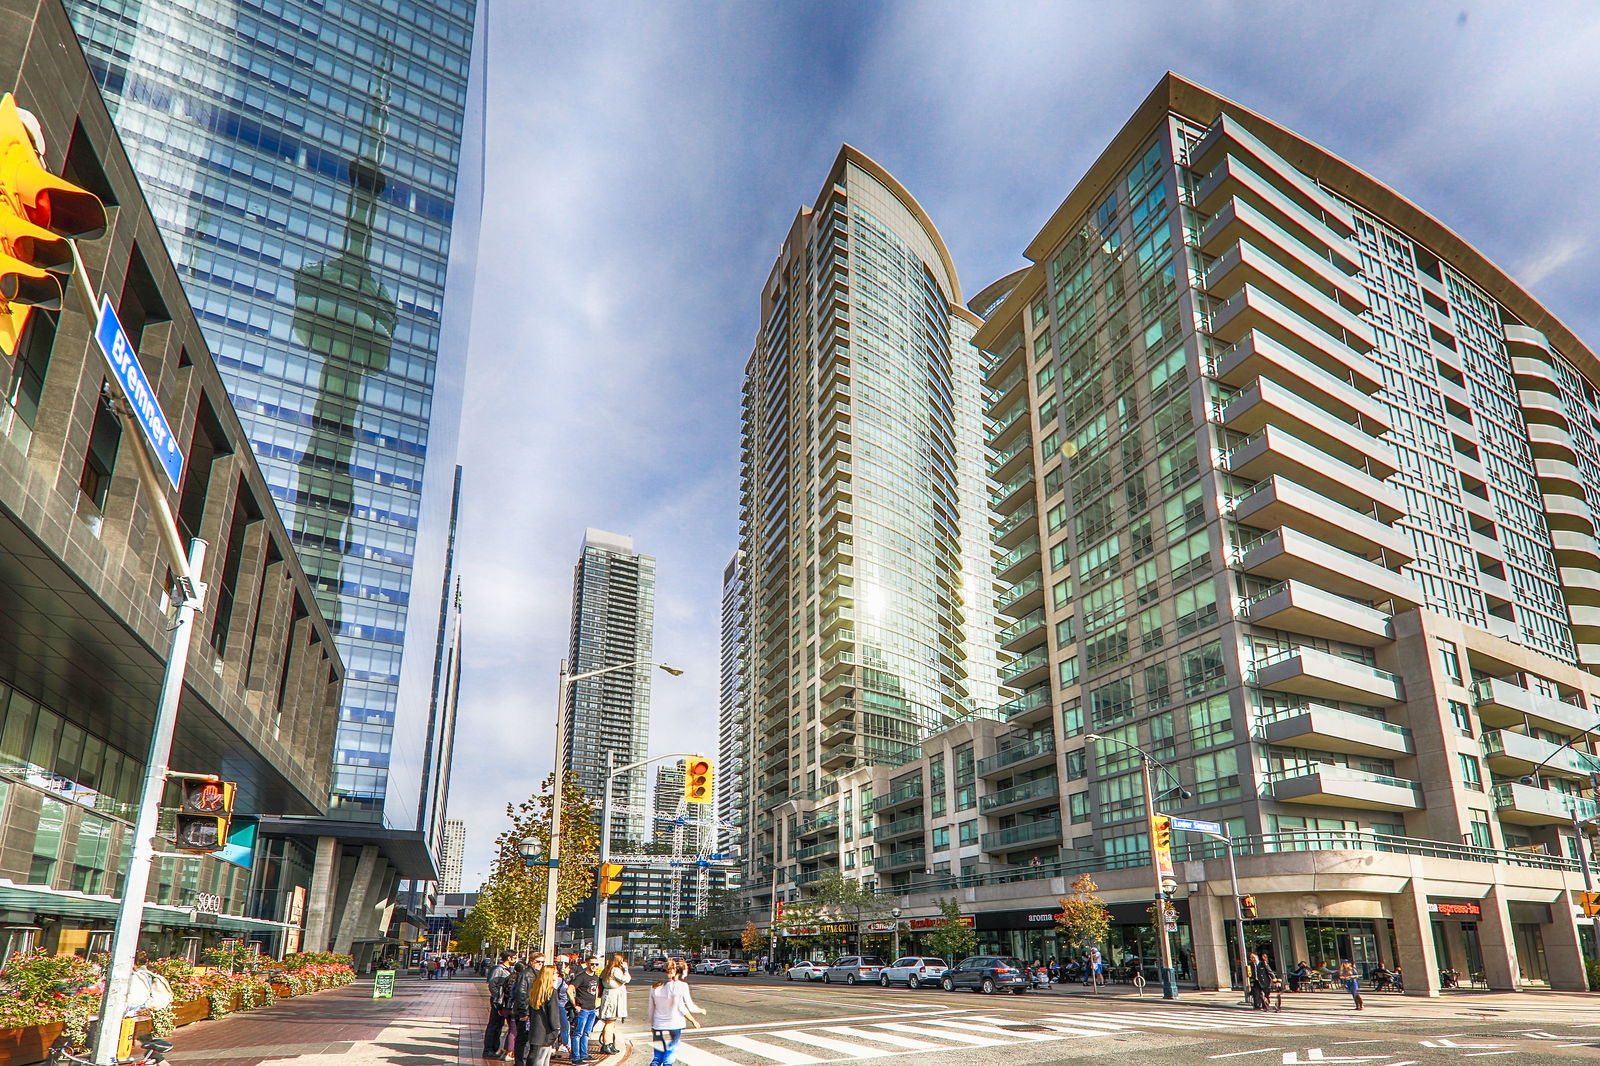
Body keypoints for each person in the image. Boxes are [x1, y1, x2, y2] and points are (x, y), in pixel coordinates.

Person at [648, 960, 704, 1066]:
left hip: (658, 1025)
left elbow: (651, 1009)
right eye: (686, 969)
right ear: (680, 971)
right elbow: (686, 1007)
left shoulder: (655, 987)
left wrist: (652, 1025)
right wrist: (699, 1013)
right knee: (669, 1058)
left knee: (657, 1058)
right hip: (675, 1024)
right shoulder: (682, 986)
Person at [521, 964, 562, 1066]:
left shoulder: (535, 991)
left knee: (534, 1054)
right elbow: (553, 1013)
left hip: (536, 1028)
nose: (558, 975)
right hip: (547, 1029)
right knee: (543, 1057)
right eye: (555, 973)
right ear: (550, 975)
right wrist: (556, 1027)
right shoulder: (551, 992)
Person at [484, 951, 519, 1060]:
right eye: (514, 957)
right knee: (494, 1025)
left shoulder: (509, 970)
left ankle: (495, 1048)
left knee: (499, 1025)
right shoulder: (498, 969)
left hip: (503, 1001)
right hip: (498, 1001)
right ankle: (488, 1049)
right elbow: (492, 985)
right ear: (509, 958)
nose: (516, 959)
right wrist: (498, 998)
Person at [597, 953, 631, 1057]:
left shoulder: (607, 970)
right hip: (613, 998)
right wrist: (626, 969)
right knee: (610, 1022)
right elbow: (627, 979)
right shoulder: (615, 970)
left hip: (610, 996)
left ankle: (609, 1043)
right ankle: (607, 1044)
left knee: (610, 1022)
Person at [569, 957, 601, 1065]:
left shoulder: (596, 977)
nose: (594, 966)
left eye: (596, 964)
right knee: (578, 1033)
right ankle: (575, 1057)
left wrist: (596, 1004)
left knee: (586, 1033)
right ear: (587, 964)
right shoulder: (581, 977)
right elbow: (570, 989)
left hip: (592, 1009)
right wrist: (575, 1005)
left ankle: (584, 1054)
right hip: (582, 1009)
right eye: (592, 964)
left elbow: (596, 991)